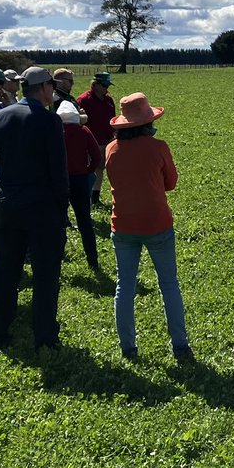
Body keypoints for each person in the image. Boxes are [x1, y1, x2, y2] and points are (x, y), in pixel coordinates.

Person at [0, 67, 70, 350]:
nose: (53, 90)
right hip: (43, 209)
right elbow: (59, 173)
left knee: (6, 272)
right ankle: (45, 336)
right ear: (43, 88)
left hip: (9, 205)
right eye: (51, 85)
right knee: (46, 275)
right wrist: (63, 208)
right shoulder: (49, 122)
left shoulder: (0, 115)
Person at [105, 92, 193, 362]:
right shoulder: (158, 147)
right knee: (169, 284)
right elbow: (171, 183)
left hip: (123, 225)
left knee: (125, 286)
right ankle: (180, 345)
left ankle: (128, 348)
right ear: (147, 121)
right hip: (157, 223)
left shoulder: (110, 149)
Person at [57, 101, 103, 273]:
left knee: (59, 222)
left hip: (59, 181)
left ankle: (57, 260)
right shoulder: (84, 131)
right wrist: (87, 171)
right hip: (80, 180)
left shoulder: (55, 132)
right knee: (85, 222)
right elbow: (97, 157)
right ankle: (93, 261)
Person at [77, 72, 116, 206]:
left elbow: (113, 120)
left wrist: (114, 135)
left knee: (100, 168)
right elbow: (79, 122)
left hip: (107, 140)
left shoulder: (109, 100)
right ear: (95, 84)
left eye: (107, 85)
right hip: (90, 142)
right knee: (88, 169)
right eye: (104, 85)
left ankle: (95, 197)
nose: (106, 88)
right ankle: (85, 198)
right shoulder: (84, 100)